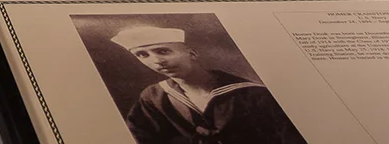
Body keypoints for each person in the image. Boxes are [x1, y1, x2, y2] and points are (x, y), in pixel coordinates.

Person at [112, 25, 306, 144]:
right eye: (142, 55)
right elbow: (142, 136)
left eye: (163, 51)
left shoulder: (253, 94)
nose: (156, 61)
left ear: (192, 54)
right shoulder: (154, 96)